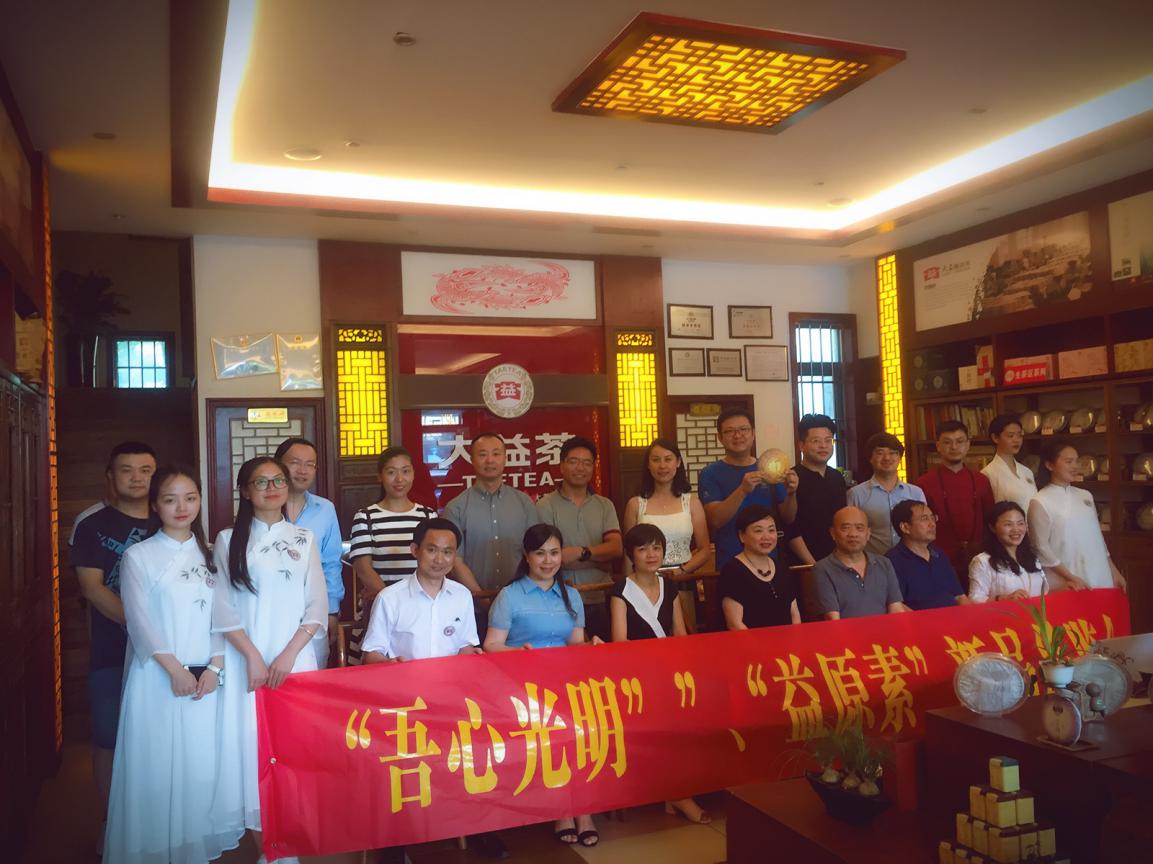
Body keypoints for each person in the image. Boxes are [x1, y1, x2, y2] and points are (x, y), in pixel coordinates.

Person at [104, 465, 240, 863]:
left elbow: (223, 616)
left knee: (200, 764)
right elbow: (139, 622)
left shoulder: (212, 553)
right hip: (157, 676)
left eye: (190, 498)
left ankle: (193, 850)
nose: (182, 507)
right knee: (158, 765)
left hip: (207, 678)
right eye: (170, 499)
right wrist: (175, 670)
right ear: (155, 505)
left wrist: (215, 667)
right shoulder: (138, 556)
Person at [360, 518, 501, 862]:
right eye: (432, 550)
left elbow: (466, 646)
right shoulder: (390, 598)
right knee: (395, 761)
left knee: (482, 747)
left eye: (448, 552)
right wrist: (390, 665)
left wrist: (473, 657)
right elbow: (370, 655)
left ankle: (480, 827)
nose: (440, 559)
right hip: (405, 706)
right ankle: (395, 843)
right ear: (415, 550)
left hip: (451, 703)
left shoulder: (461, 596)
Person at [211, 456, 327, 859]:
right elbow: (222, 608)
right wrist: (253, 657)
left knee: (293, 750)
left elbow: (316, 606)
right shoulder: (227, 540)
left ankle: (288, 842)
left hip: (295, 661)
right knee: (250, 750)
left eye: (278, 480)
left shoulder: (304, 538)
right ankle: (267, 846)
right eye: (261, 482)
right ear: (245, 491)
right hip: (247, 662)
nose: (272, 488)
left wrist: (289, 655)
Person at [483, 524, 600, 848]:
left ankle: (583, 812)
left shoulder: (572, 595)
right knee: (555, 735)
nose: (548, 561)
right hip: (522, 688)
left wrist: (591, 646)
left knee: (586, 732)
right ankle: (563, 810)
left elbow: (575, 644)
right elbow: (491, 645)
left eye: (554, 553)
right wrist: (520, 654)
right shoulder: (510, 595)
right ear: (527, 556)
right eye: (540, 553)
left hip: (565, 684)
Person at [70, 440, 157, 852]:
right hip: (111, 651)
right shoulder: (92, 524)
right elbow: (92, 588)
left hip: (167, 657)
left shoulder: (172, 514)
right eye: (127, 470)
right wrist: (144, 630)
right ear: (111, 476)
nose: (137, 478)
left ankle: (157, 821)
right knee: (108, 737)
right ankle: (110, 820)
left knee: (158, 738)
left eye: (145, 470)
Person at [609, 524, 709, 825]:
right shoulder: (620, 591)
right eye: (643, 549)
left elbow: (679, 634)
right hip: (636, 679)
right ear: (631, 555)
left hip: (671, 674)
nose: (651, 555)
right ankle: (678, 795)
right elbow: (620, 642)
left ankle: (674, 793)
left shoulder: (670, 586)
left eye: (656, 548)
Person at [535, 435, 622, 640]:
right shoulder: (545, 505)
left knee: (604, 654)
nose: (580, 468)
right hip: (560, 598)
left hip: (601, 595)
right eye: (574, 461)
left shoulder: (604, 505)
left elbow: (616, 549)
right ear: (562, 466)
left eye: (587, 463)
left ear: (593, 467)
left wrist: (580, 553)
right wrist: (599, 559)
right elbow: (551, 558)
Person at [622, 438, 711, 630]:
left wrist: (682, 570)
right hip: (644, 583)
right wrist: (628, 587)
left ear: (678, 462)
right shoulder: (635, 504)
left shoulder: (692, 502)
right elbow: (628, 553)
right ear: (648, 465)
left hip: (682, 581)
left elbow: (704, 550)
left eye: (668, 459)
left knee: (684, 638)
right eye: (656, 460)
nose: (662, 466)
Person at [699, 408, 798, 570]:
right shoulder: (710, 473)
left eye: (744, 429)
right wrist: (742, 490)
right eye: (730, 431)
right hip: (730, 560)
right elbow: (715, 520)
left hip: (769, 559)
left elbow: (788, 517)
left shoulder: (770, 469)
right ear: (720, 438)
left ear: (753, 433)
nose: (738, 435)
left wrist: (791, 493)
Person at [275, 436, 344, 667]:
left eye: (310, 464)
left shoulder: (325, 509)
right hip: (272, 609)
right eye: (295, 462)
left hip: (313, 610)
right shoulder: (265, 507)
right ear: (278, 464)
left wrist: (331, 611)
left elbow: (331, 562)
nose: (302, 470)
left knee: (312, 671)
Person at [444, 432, 535, 595]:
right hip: (474, 602)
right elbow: (456, 561)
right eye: (482, 454)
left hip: (520, 599)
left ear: (505, 458)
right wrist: (482, 599)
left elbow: (536, 553)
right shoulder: (456, 507)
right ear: (471, 459)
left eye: (496, 454)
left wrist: (515, 599)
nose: (490, 460)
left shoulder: (524, 503)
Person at [1027, 441, 1126, 592]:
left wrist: (1114, 571)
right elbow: (1041, 547)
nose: (1075, 466)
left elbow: (1097, 537)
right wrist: (1071, 577)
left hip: (1100, 572)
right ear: (1050, 465)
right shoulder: (1040, 501)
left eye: (1076, 461)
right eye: (1068, 461)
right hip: (1067, 579)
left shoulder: (1085, 496)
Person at [349, 446, 437, 601]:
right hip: (383, 604)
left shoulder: (428, 516)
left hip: (423, 601)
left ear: (413, 474)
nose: (399, 479)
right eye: (391, 472)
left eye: (405, 471)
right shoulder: (365, 517)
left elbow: (434, 562)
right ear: (380, 476)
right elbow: (363, 569)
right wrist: (393, 602)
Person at [915, 420, 994, 576]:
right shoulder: (924, 483)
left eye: (959, 441)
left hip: (979, 557)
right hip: (938, 558)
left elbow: (991, 518)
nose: (954, 447)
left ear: (968, 445)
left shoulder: (981, 480)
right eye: (947, 442)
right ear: (938, 446)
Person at [811, 507, 909, 619]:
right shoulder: (822, 569)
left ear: (868, 533)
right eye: (845, 528)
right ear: (833, 533)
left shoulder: (884, 563)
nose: (853, 534)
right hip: (844, 630)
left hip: (885, 630)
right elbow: (832, 619)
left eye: (859, 528)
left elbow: (896, 609)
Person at [719, 505, 801, 629]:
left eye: (771, 530)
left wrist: (796, 638)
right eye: (758, 531)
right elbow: (735, 624)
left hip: (787, 640)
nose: (766, 537)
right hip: (748, 641)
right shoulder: (732, 571)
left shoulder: (781, 567)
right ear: (741, 535)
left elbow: (795, 614)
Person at [847, 432, 926, 554]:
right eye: (880, 453)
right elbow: (850, 533)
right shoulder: (856, 494)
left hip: (910, 560)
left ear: (899, 458)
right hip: (872, 562)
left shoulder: (915, 493)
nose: (887, 458)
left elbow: (924, 528)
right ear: (870, 458)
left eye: (893, 453)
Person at [785, 414, 847, 565]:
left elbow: (841, 520)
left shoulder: (837, 477)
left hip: (837, 560)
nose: (823, 446)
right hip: (803, 563)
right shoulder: (791, 478)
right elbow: (790, 526)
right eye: (816, 441)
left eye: (828, 440)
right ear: (801, 445)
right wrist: (813, 565)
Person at [885, 499, 969, 610]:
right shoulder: (891, 562)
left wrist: (971, 616)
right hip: (919, 620)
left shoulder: (939, 554)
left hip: (955, 617)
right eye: (924, 519)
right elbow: (897, 606)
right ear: (905, 527)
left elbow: (960, 596)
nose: (932, 524)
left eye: (933, 518)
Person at [968, 502, 1048, 603]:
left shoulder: (1032, 557)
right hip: (1004, 613)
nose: (1016, 529)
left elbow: (1043, 592)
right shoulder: (982, 562)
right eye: (1008, 524)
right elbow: (974, 599)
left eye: (1020, 523)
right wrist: (1003, 599)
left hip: (1037, 612)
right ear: (992, 528)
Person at [981, 414, 1037, 511]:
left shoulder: (1027, 471)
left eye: (1020, 435)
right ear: (995, 438)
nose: (1017, 440)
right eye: (1010, 435)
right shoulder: (987, 474)